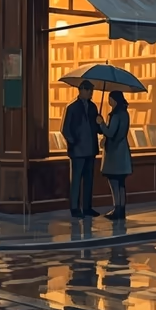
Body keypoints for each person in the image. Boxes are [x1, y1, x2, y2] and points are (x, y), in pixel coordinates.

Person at [62, 82, 101, 218]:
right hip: (78, 150)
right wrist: (73, 142)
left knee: (89, 180)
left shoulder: (93, 107)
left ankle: (87, 207)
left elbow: (97, 129)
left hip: (91, 149)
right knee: (77, 180)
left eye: (92, 90)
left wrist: (100, 123)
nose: (91, 93)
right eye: (89, 90)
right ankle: (74, 207)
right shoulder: (72, 107)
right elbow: (65, 128)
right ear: (81, 90)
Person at [98, 91, 132, 221]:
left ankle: (116, 208)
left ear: (115, 100)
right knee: (121, 183)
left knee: (113, 182)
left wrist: (101, 123)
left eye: (110, 99)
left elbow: (110, 132)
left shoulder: (115, 115)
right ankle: (121, 209)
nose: (109, 102)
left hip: (114, 153)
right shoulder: (125, 114)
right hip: (123, 151)